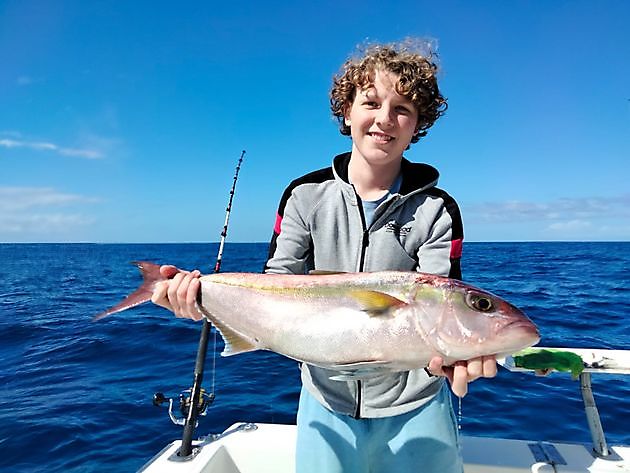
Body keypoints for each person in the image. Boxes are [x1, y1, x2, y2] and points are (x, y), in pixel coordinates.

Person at [152, 39, 497, 473]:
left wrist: (458, 353)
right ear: (347, 110)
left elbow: (439, 302)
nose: (384, 120)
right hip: (324, 403)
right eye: (371, 102)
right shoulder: (304, 196)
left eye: (403, 110)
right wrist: (201, 301)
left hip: (417, 404)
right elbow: (276, 284)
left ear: (417, 125)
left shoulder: (436, 210)